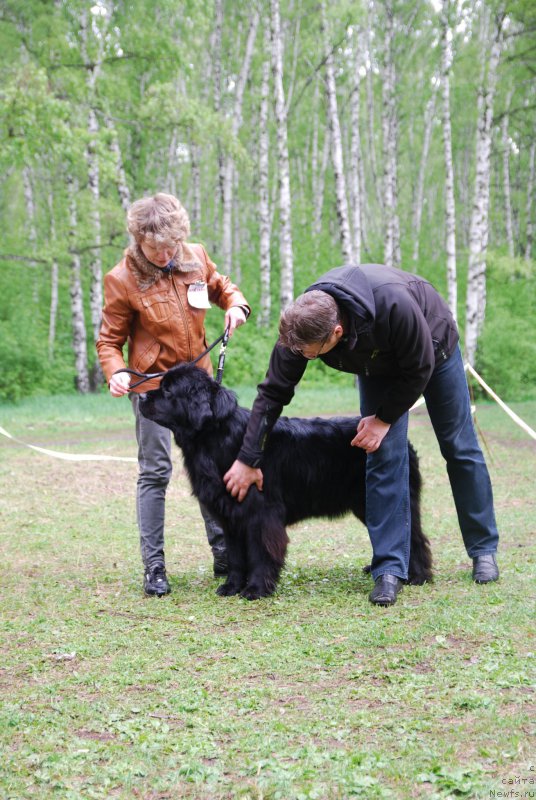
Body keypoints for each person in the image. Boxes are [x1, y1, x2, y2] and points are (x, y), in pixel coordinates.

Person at [223, 264, 499, 606]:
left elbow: (419, 368)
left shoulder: (395, 305)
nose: (303, 357)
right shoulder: (300, 328)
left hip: (432, 348)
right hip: (375, 362)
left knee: (459, 447)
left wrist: (383, 419)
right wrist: (248, 458)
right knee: (382, 454)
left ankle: (483, 549)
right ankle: (390, 569)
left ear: (336, 332)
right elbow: (272, 394)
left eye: (309, 352)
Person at [96, 193, 250, 597]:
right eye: (156, 249)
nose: (165, 255)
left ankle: (225, 552)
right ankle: (155, 566)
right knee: (156, 471)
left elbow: (222, 288)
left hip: (198, 390)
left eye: (171, 246)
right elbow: (109, 342)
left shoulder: (195, 256)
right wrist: (116, 373)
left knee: (213, 466)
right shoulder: (122, 279)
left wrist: (235, 305)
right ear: (138, 241)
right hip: (154, 390)